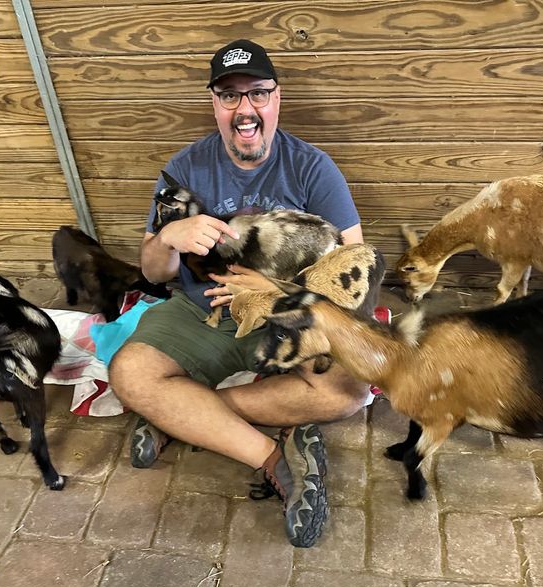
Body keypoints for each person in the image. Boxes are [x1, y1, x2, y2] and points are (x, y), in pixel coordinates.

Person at [109, 39, 368, 548]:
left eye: (257, 94)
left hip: (288, 314)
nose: (244, 109)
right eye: (230, 96)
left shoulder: (311, 168)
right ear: (214, 103)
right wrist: (167, 238)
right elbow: (153, 271)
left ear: (276, 99)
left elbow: (352, 266)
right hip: (202, 308)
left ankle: (184, 417)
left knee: (349, 392)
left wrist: (274, 291)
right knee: (129, 374)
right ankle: (274, 459)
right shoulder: (184, 170)